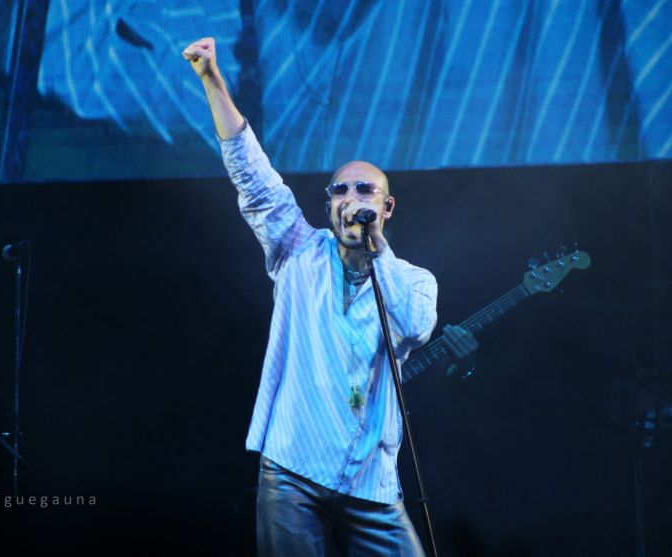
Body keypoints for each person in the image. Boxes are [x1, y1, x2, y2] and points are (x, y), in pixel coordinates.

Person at [182, 37, 474, 557]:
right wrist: (212, 81)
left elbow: (413, 326)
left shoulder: (413, 278)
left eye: (364, 192)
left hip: (372, 485)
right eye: (340, 191)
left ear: (387, 208)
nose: (349, 201)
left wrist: (377, 253)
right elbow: (254, 179)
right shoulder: (299, 252)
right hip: (292, 471)